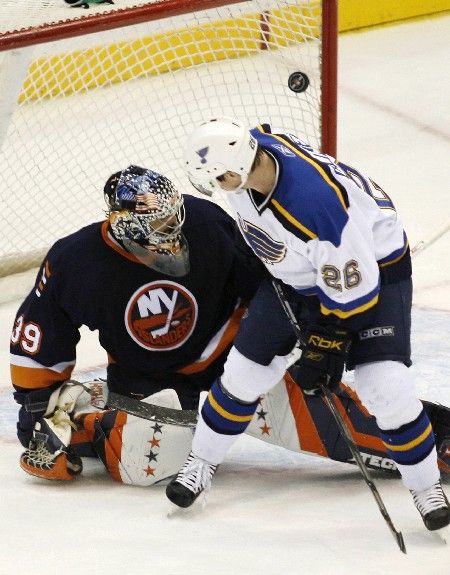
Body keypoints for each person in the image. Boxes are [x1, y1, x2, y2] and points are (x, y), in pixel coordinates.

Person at [10, 164, 449, 489]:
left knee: (345, 428)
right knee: (140, 461)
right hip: (149, 385)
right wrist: (36, 410)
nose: (174, 234)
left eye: (173, 220)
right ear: (126, 226)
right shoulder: (75, 261)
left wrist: (310, 337)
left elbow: (271, 289)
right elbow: (39, 339)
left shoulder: (204, 221)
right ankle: (81, 416)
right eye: (160, 227)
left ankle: (439, 436)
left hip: (235, 358)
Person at [167, 118, 450, 532]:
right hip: (299, 278)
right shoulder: (252, 156)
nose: (219, 187)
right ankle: (200, 463)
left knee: (385, 387)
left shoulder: (318, 207)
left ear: (236, 166)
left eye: (219, 178)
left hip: (375, 275)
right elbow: (261, 131)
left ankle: (426, 488)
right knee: (242, 374)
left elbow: (356, 291)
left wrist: (327, 343)